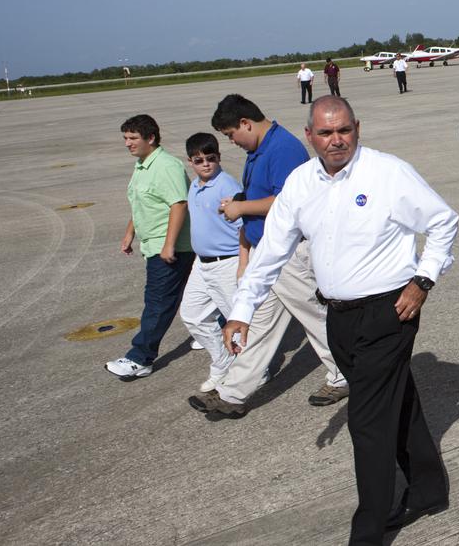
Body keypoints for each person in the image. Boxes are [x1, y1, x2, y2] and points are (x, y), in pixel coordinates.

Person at [223, 96, 458, 544]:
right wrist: (241, 311)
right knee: (397, 402)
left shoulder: (387, 172)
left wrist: (422, 280)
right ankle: (428, 490)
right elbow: (271, 252)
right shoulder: (300, 182)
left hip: (390, 312)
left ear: (357, 128)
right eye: (326, 133)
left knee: (367, 422)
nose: (336, 141)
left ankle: (368, 531)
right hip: (338, 316)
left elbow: (443, 222)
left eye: (344, 130)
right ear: (309, 135)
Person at [188, 94, 348, 419]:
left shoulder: (283, 148)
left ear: (246, 123)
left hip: (289, 253)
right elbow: (260, 194)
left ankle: (346, 374)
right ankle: (232, 394)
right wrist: (243, 212)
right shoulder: (258, 150)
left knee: (316, 318)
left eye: (232, 135)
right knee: (257, 326)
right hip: (270, 253)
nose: (232, 142)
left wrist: (240, 208)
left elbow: (287, 201)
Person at [105, 114, 195, 379]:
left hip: (169, 247)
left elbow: (178, 204)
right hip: (153, 243)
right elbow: (142, 202)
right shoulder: (143, 164)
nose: (127, 143)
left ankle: (140, 358)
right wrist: (129, 234)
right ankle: (216, 331)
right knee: (197, 294)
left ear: (151, 138)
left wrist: (169, 246)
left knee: (158, 302)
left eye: (133, 138)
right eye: (125, 138)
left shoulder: (166, 166)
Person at [178, 132, 245, 394]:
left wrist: (243, 261)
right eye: (199, 160)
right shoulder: (194, 186)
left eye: (211, 158)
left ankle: (254, 370)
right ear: (190, 162)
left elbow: (243, 226)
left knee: (237, 321)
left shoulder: (227, 186)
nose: (206, 164)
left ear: (219, 157)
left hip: (226, 262)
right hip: (201, 263)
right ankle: (223, 361)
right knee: (192, 315)